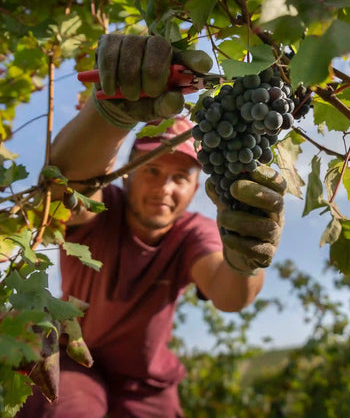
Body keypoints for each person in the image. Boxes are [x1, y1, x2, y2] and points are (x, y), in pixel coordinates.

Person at [18, 34, 286, 417]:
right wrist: (109, 115)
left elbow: (229, 293)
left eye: (180, 177)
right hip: (73, 361)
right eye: (153, 169)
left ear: (196, 186)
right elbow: (65, 186)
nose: (165, 187)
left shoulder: (191, 232)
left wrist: (247, 262)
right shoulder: (103, 207)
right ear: (126, 175)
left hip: (146, 386)